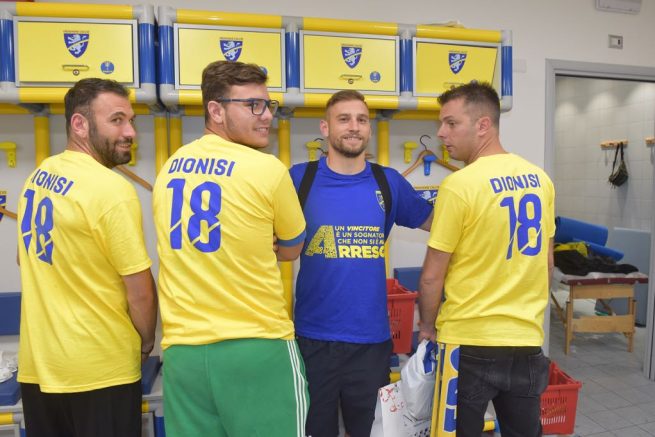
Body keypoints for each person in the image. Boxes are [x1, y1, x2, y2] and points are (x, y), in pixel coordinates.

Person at [152, 60, 308, 437]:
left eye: (268, 105)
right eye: (253, 105)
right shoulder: (267, 169)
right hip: (256, 346)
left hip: (183, 355)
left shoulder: (170, 168)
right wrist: (264, 242)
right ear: (216, 110)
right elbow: (292, 247)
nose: (266, 115)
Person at [16, 78, 157, 437]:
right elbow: (140, 291)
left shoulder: (38, 176)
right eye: (117, 120)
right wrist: (144, 342)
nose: (130, 132)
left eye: (131, 121)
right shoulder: (112, 190)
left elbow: (24, 259)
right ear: (79, 124)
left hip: (40, 369)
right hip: (101, 371)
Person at [289, 89, 433, 437]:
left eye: (362, 120)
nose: (354, 127)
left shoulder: (388, 182)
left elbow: (442, 226)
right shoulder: (298, 179)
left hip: (371, 341)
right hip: (312, 339)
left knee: (370, 431)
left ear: (368, 128)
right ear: (325, 127)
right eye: (344, 119)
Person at [417, 82, 555, 437]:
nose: (441, 133)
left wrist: (427, 327)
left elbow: (432, 275)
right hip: (526, 340)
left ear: (483, 125)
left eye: (451, 123)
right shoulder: (540, 180)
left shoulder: (460, 185)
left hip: (467, 342)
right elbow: (546, 263)